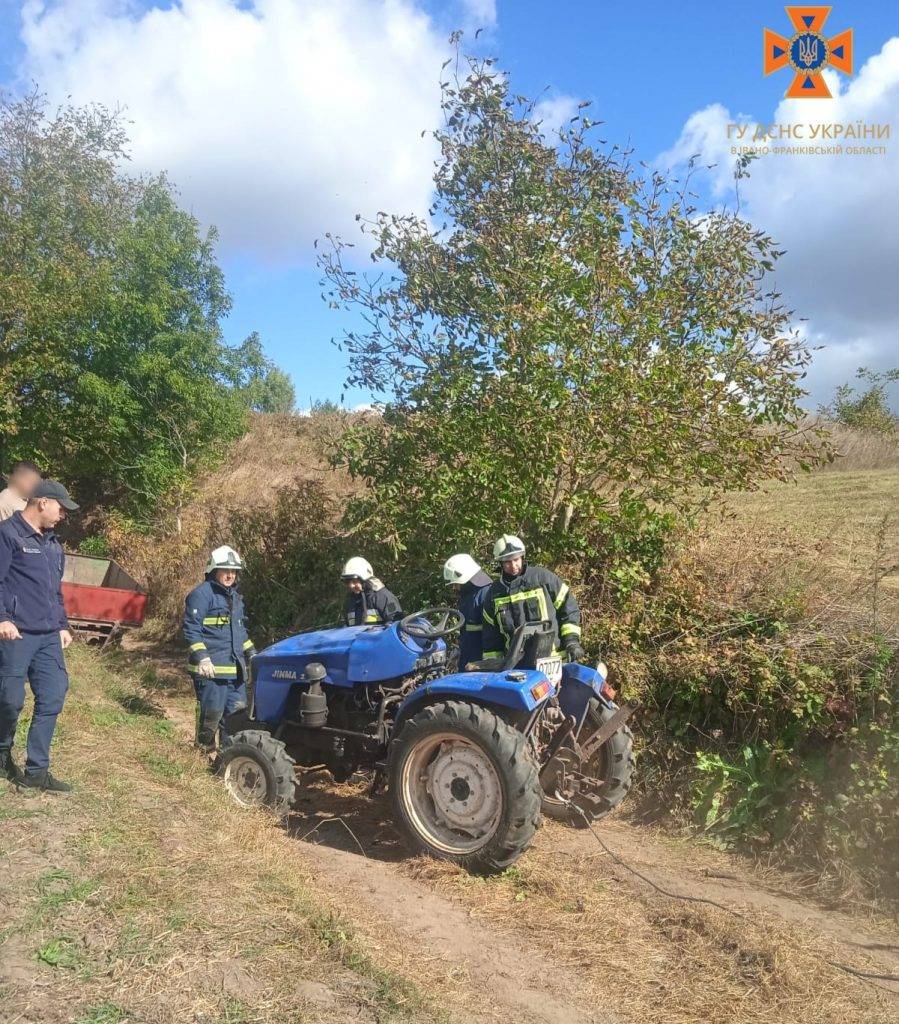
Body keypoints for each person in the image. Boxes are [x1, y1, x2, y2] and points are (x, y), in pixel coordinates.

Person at [0, 480, 79, 791]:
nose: (63, 515)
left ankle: (36, 772)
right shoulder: (8, 534)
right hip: (16, 634)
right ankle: (3, 752)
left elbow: (54, 591)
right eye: (61, 508)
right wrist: (3, 618)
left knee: (53, 694)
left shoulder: (52, 544)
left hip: (47, 635)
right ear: (43, 503)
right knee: (10, 700)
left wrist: (62, 624)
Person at [182, 546, 256, 752]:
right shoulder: (201, 595)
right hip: (211, 672)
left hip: (235, 673)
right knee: (211, 716)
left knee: (236, 718)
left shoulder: (235, 598)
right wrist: (203, 658)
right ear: (214, 570)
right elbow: (191, 630)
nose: (230, 575)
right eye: (225, 570)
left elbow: (240, 633)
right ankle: (202, 756)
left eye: (234, 571)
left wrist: (253, 655)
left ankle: (226, 758)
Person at [481, 534, 585, 664]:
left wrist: (572, 641)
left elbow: (569, 610)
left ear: (523, 557)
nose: (513, 566)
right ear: (500, 563)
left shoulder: (543, 578)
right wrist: (493, 665)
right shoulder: (494, 594)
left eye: (516, 559)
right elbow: (491, 637)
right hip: (517, 668)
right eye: (507, 562)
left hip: (554, 661)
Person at [443, 553, 493, 669]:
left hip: (480, 665)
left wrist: (483, 665)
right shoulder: (469, 596)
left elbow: (490, 636)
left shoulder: (486, 594)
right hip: (468, 659)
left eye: (456, 584)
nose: (454, 588)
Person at [341, 557, 402, 626]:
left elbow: (395, 624)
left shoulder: (383, 597)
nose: (351, 585)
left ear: (364, 580)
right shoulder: (350, 601)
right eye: (347, 582)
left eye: (355, 581)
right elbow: (345, 630)